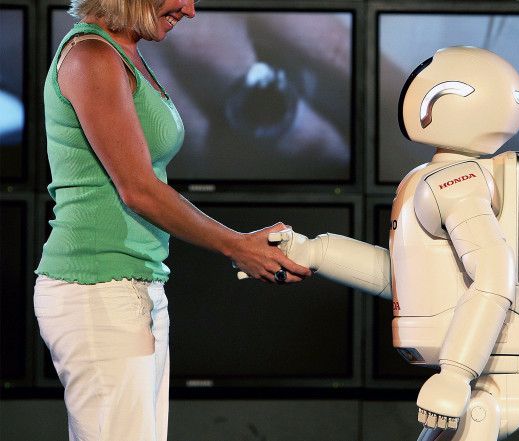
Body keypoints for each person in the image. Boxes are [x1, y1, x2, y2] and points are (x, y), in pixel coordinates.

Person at [33, 1, 311, 439]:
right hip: (96, 288)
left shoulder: (125, 51)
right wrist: (238, 245)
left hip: (136, 283)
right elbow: (138, 189)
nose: (190, 9)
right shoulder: (92, 55)